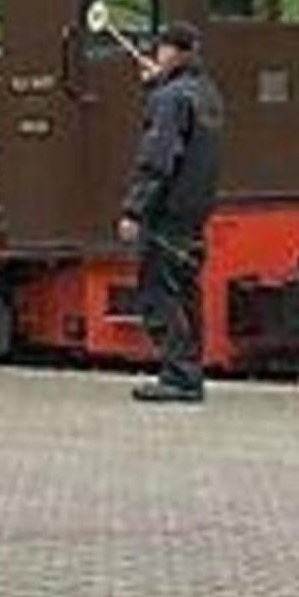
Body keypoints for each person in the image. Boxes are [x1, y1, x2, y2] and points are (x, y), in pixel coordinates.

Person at [117, 21, 224, 403]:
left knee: (159, 294)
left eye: (160, 49)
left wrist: (134, 209)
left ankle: (177, 376)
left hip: (166, 213)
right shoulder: (207, 94)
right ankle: (191, 371)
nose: (155, 55)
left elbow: (158, 157)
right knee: (188, 295)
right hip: (195, 212)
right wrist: (157, 86)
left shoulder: (170, 99)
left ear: (172, 52)